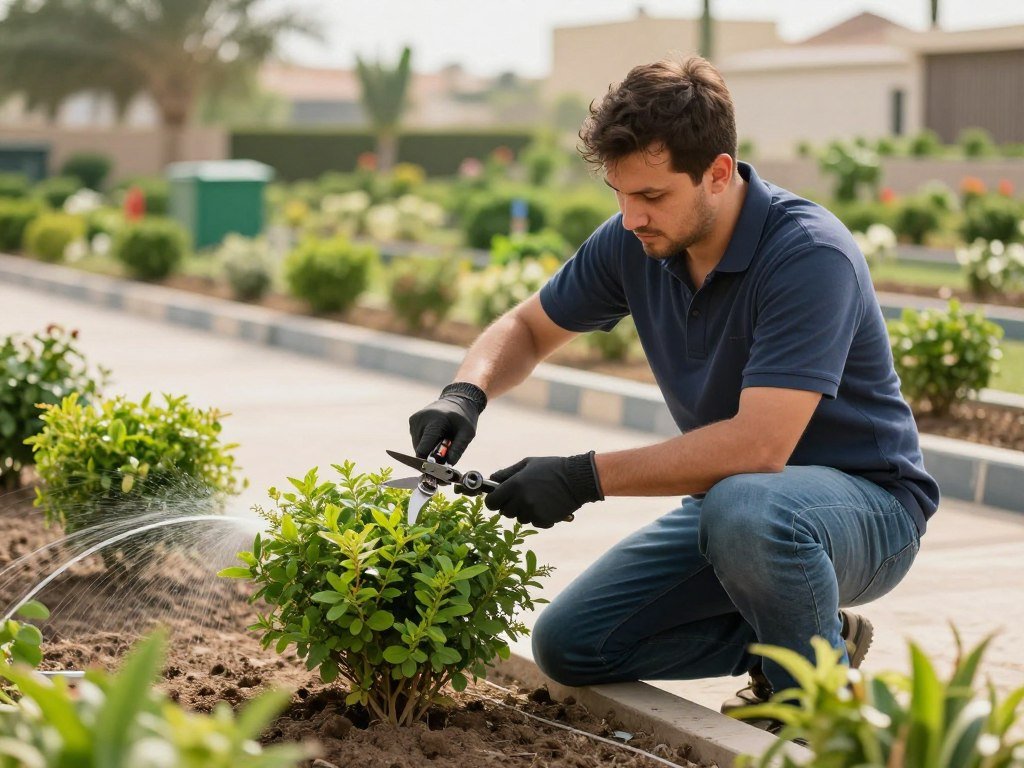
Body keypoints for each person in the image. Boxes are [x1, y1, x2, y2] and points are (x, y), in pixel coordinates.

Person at [408, 56, 939, 725]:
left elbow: (760, 446)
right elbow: (526, 327)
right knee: (571, 645)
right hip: (737, 514)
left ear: (718, 173)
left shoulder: (807, 254)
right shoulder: (636, 242)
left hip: (866, 513)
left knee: (748, 505)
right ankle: (809, 638)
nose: (631, 218)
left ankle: (811, 704)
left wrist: (581, 478)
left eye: (651, 196)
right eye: (620, 195)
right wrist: (464, 393)